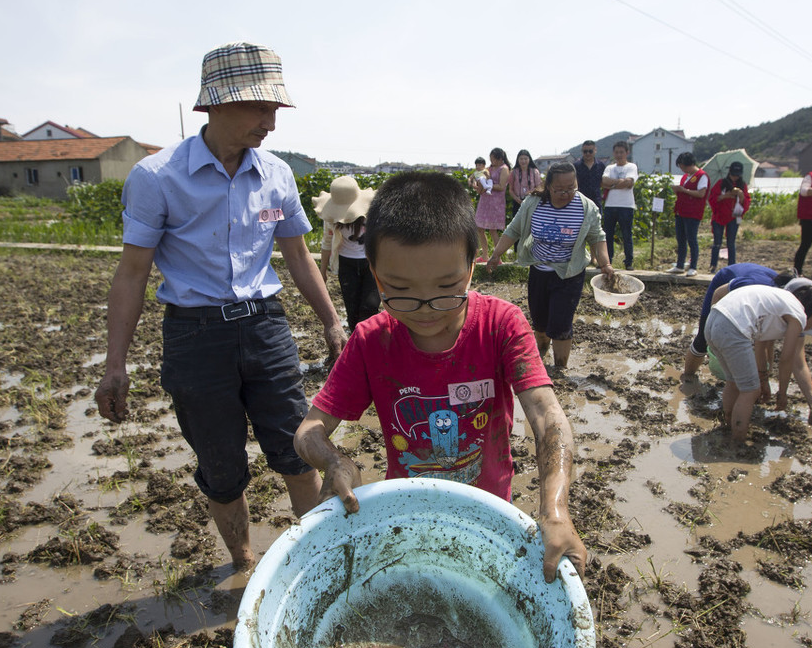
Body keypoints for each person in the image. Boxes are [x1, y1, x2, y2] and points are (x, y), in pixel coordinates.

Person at [94, 42, 347, 570]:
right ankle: (245, 566)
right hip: (194, 335)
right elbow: (132, 272)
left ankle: (318, 564)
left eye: (274, 110)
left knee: (297, 448)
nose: (270, 123)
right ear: (215, 105)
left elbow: (298, 256)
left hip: (266, 329)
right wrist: (114, 365)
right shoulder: (157, 177)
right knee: (222, 466)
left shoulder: (276, 174)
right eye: (260, 108)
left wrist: (331, 321)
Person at [293, 172, 587, 583]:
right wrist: (336, 461)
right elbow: (309, 431)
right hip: (410, 510)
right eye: (400, 290)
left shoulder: (501, 325)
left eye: (447, 287)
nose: (426, 308)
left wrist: (554, 509)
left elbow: (547, 416)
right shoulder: (370, 341)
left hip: (488, 508)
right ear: (375, 275)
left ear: (471, 268)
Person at [488, 162, 616, 369]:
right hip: (539, 271)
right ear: (548, 186)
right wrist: (495, 255)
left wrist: (606, 264)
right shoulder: (533, 203)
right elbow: (514, 230)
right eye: (559, 189)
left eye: (571, 188)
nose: (565, 193)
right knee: (539, 321)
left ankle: (560, 368)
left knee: (561, 324)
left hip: (569, 274)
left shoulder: (586, 207)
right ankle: (541, 356)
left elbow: (597, 237)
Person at [705, 282, 812, 441]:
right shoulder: (798, 315)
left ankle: (729, 426)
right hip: (733, 326)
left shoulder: (782, 301)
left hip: (714, 319)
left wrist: (764, 380)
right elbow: (786, 359)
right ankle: (738, 442)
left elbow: (761, 345)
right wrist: (782, 394)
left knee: (734, 381)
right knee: (750, 390)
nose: (810, 329)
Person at [681, 261, 788, 379]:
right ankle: (687, 378)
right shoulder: (754, 284)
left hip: (750, 291)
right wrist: (713, 329)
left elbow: (768, 341)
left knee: (760, 339)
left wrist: (766, 374)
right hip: (724, 284)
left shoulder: (783, 302)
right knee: (703, 339)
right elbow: (718, 293)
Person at [315, 176, 379, 333]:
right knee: (352, 309)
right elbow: (327, 242)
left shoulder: (371, 213)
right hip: (346, 264)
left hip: (370, 263)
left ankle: (368, 343)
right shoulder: (331, 217)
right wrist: (322, 271)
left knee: (370, 306)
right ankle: (357, 343)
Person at [667, 151, 708, 277]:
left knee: (692, 239)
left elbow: (701, 193)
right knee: (681, 239)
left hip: (693, 212)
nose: (682, 169)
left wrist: (683, 190)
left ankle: (693, 266)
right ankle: (680, 265)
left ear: (688, 164)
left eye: (682, 166)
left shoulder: (702, 176)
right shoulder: (686, 177)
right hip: (681, 211)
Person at [601, 140, 638, 270]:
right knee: (607, 235)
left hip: (626, 206)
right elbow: (603, 182)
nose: (619, 155)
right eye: (616, 152)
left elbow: (629, 183)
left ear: (627, 152)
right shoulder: (609, 167)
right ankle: (608, 261)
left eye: (621, 152)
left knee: (627, 235)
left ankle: (628, 262)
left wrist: (611, 184)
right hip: (610, 206)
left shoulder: (631, 167)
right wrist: (619, 183)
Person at [708, 161, 750, 272]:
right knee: (717, 242)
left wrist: (740, 195)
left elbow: (746, 202)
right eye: (733, 174)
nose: (735, 177)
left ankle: (732, 266)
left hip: (733, 217)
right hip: (719, 216)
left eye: (737, 175)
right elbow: (712, 199)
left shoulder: (743, 185)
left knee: (731, 242)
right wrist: (725, 196)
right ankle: (713, 265)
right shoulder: (721, 183)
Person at [472, 147, 510, 263]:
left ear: (499, 158)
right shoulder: (489, 169)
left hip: (496, 203)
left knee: (493, 230)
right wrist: (478, 186)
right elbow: (480, 180)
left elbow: (502, 186)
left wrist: (489, 185)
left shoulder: (504, 169)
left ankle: (497, 257)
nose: (491, 161)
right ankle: (484, 255)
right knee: (480, 228)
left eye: (493, 159)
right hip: (485, 201)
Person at [574, 140, 606, 213]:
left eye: (590, 151)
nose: (588, 153)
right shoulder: (576, 166)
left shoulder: (601, 166)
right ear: (582, 151)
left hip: (596, 202)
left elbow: (603, 183)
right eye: (585, 151)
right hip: (580, 202)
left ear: (595, 150)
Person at [509, 149, 541, 217]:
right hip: (517, 202)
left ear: (529, 159)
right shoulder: (514, 172)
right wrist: (517, 199)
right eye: (521, 159)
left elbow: (539, 187)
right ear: (518, 160)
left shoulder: (535, 172)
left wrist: (531, 193)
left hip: (531, 202)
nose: (523, 161)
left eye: (525, 159)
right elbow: (511, 189)